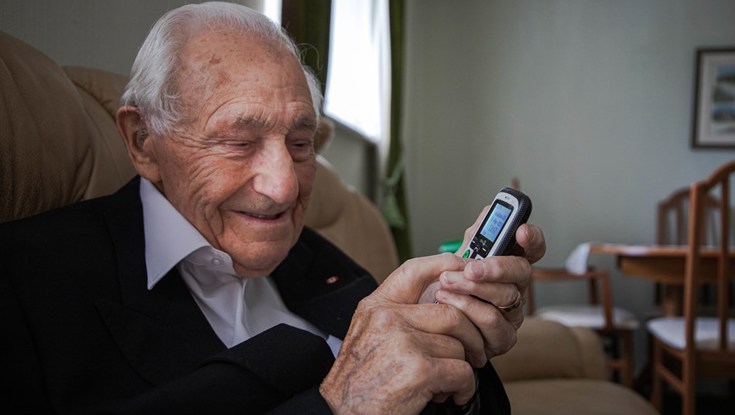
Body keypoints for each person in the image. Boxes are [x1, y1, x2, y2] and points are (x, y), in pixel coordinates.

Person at [0, 2, 545, 414]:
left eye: (301, 144)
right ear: (143, 141)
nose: (285, 189)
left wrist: (447, 340)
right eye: (238, 142)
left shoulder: (316, 259)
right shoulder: (27, 279)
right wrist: (339, 403)